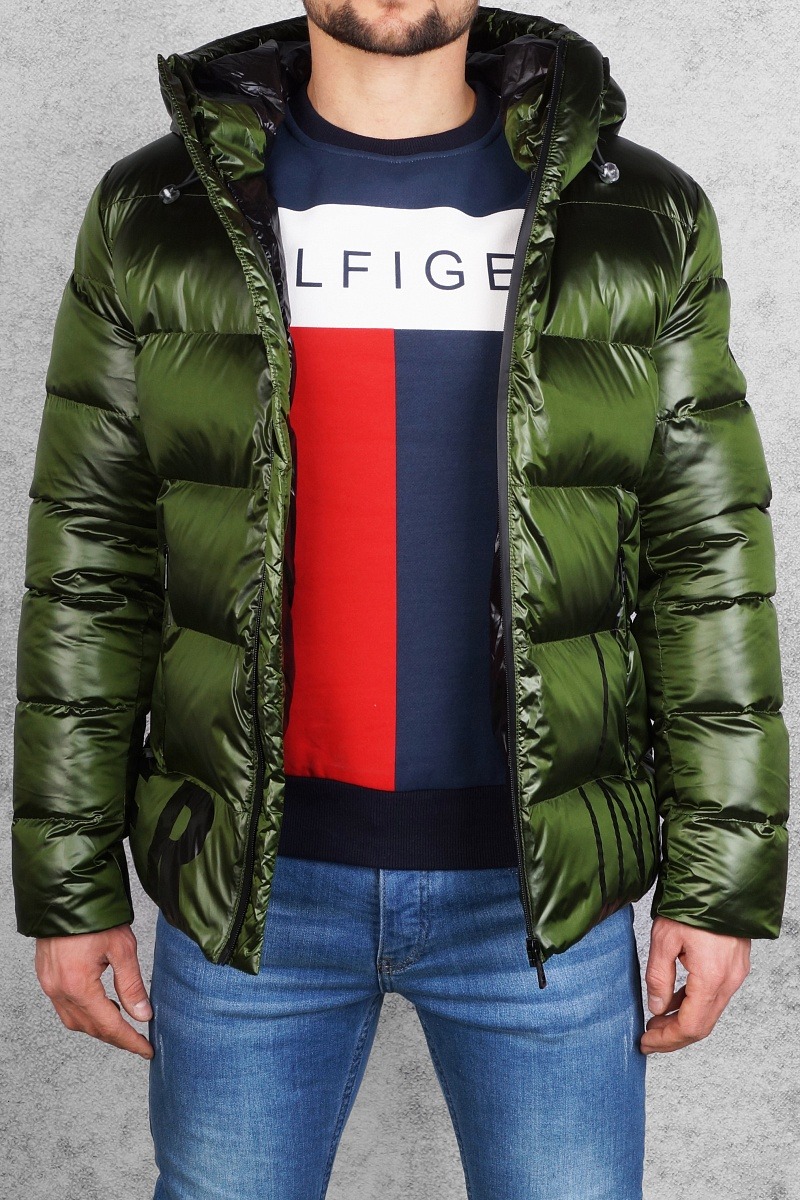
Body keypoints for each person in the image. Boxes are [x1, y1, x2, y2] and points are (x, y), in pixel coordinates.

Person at [12, 2, 790, 1198]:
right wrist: (69, 890)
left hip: (543, 894)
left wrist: (715, 880)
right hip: (248, 889)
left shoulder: (638, 214)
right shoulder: (157, 211)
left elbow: (705, 557)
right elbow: (89, 560)